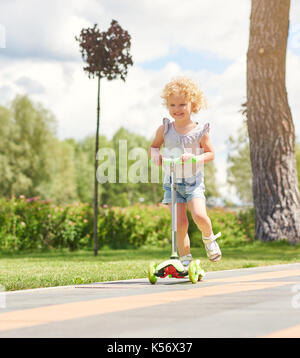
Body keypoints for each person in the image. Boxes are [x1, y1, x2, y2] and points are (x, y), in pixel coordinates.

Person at [149, 76, 221, 267]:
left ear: (193, 104)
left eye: (182, 104)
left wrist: (195, 158)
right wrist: (155, 155)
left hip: (193, 183)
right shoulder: (164, 129)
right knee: (180, 224)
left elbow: (211, 154)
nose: (177, 109)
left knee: (199, 216)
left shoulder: (199, 131)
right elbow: (154, 147)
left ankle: (209, 238)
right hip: (172, 183)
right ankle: (185, 260)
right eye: (172, 104)